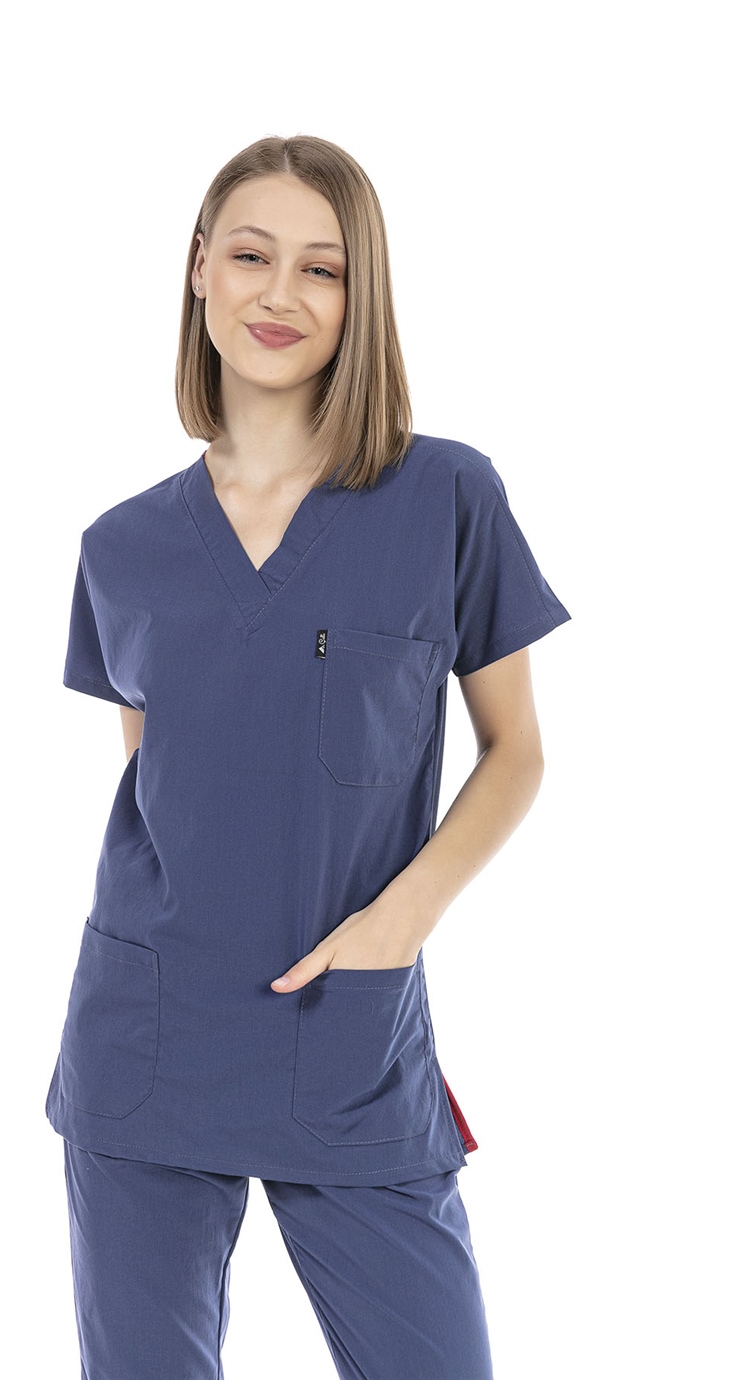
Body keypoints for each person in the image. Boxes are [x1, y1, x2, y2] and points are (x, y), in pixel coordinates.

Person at [45, 133, 571, 1380]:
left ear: (359, 294)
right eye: (250, 256)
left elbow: (514, 751)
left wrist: (398, 924)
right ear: (198, 269)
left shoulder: (445, 496)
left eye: (321, 268)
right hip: (147, 1042)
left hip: (347, 1036)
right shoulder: (121, 546)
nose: (279, 293)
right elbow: (159, 789)